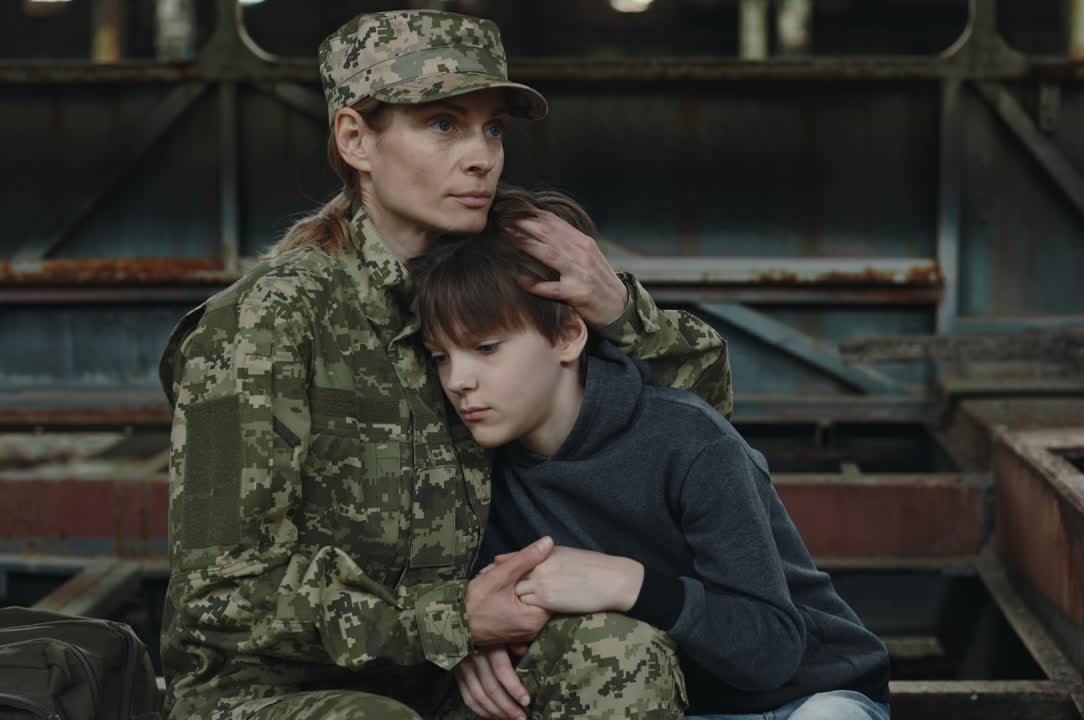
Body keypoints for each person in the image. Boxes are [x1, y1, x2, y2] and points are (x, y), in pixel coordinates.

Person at [157, 10, 730, 720]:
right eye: (443, 124)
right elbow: (222, 592)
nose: (482, 156)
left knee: (617, 655)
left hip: (445, 674)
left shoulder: (498, 278)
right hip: (272, 694)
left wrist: (618, 309)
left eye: (493, 128)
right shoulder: (269, 321)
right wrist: (450, 624)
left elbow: (699, 418)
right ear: (356, 139)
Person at [411, 188, 891, 720]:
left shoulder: (688, 440)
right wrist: (469, 642)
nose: (459, 380)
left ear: (569, 336)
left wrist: (629, 584)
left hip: (793, 698)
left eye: (485, 348)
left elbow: (772, 649)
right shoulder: (466, 466)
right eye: (439, 356)